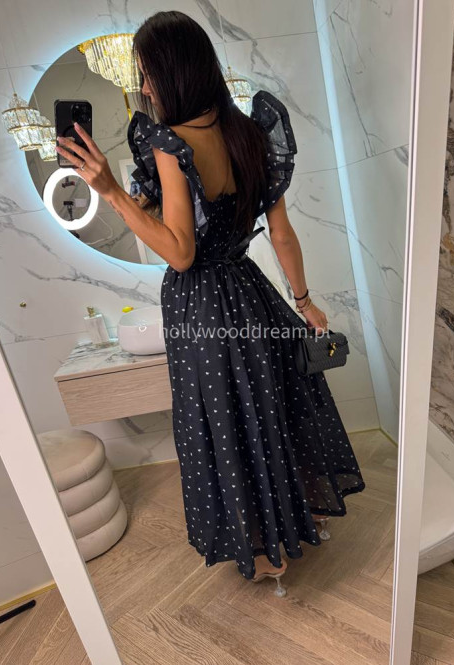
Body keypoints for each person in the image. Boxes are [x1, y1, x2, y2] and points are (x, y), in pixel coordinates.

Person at [55, 10, 366, 595]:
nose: (144, 86)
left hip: (202, 306)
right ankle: (301, 521)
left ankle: (266, 553)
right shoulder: (250, 133)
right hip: (251, 293)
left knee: (226, 426)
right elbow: (281, 234)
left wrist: (110, 190)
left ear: (171, 72)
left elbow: (179, 253)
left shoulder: (169, 144)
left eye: (147, 72)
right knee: (270, 413)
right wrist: (304, 301)